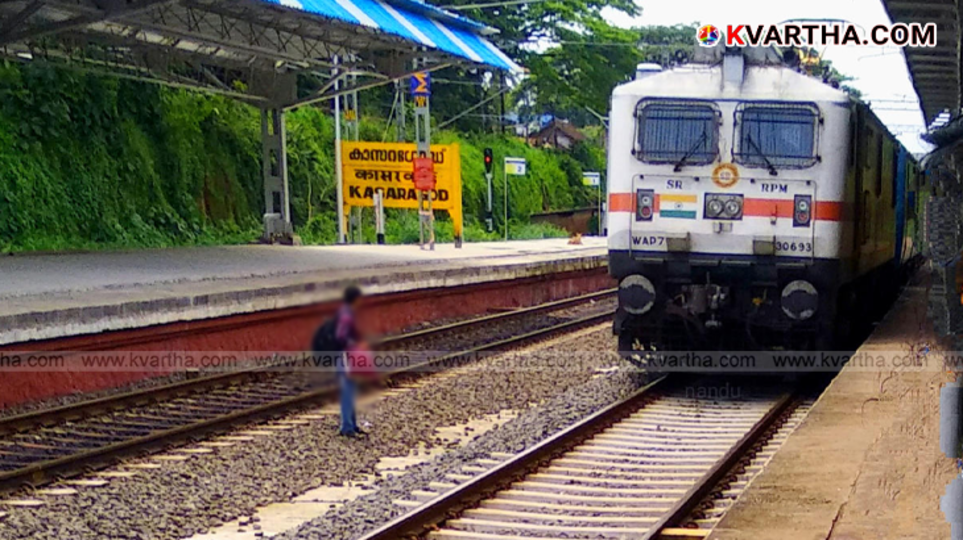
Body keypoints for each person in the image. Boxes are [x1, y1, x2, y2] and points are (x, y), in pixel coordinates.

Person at [334, 285, 364, 437]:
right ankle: (347, 426)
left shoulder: (346, 311)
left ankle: (351, 423)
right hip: (346, 357)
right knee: (348, 391)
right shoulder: (347, 314)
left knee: (350, 390)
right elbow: (341, 336)